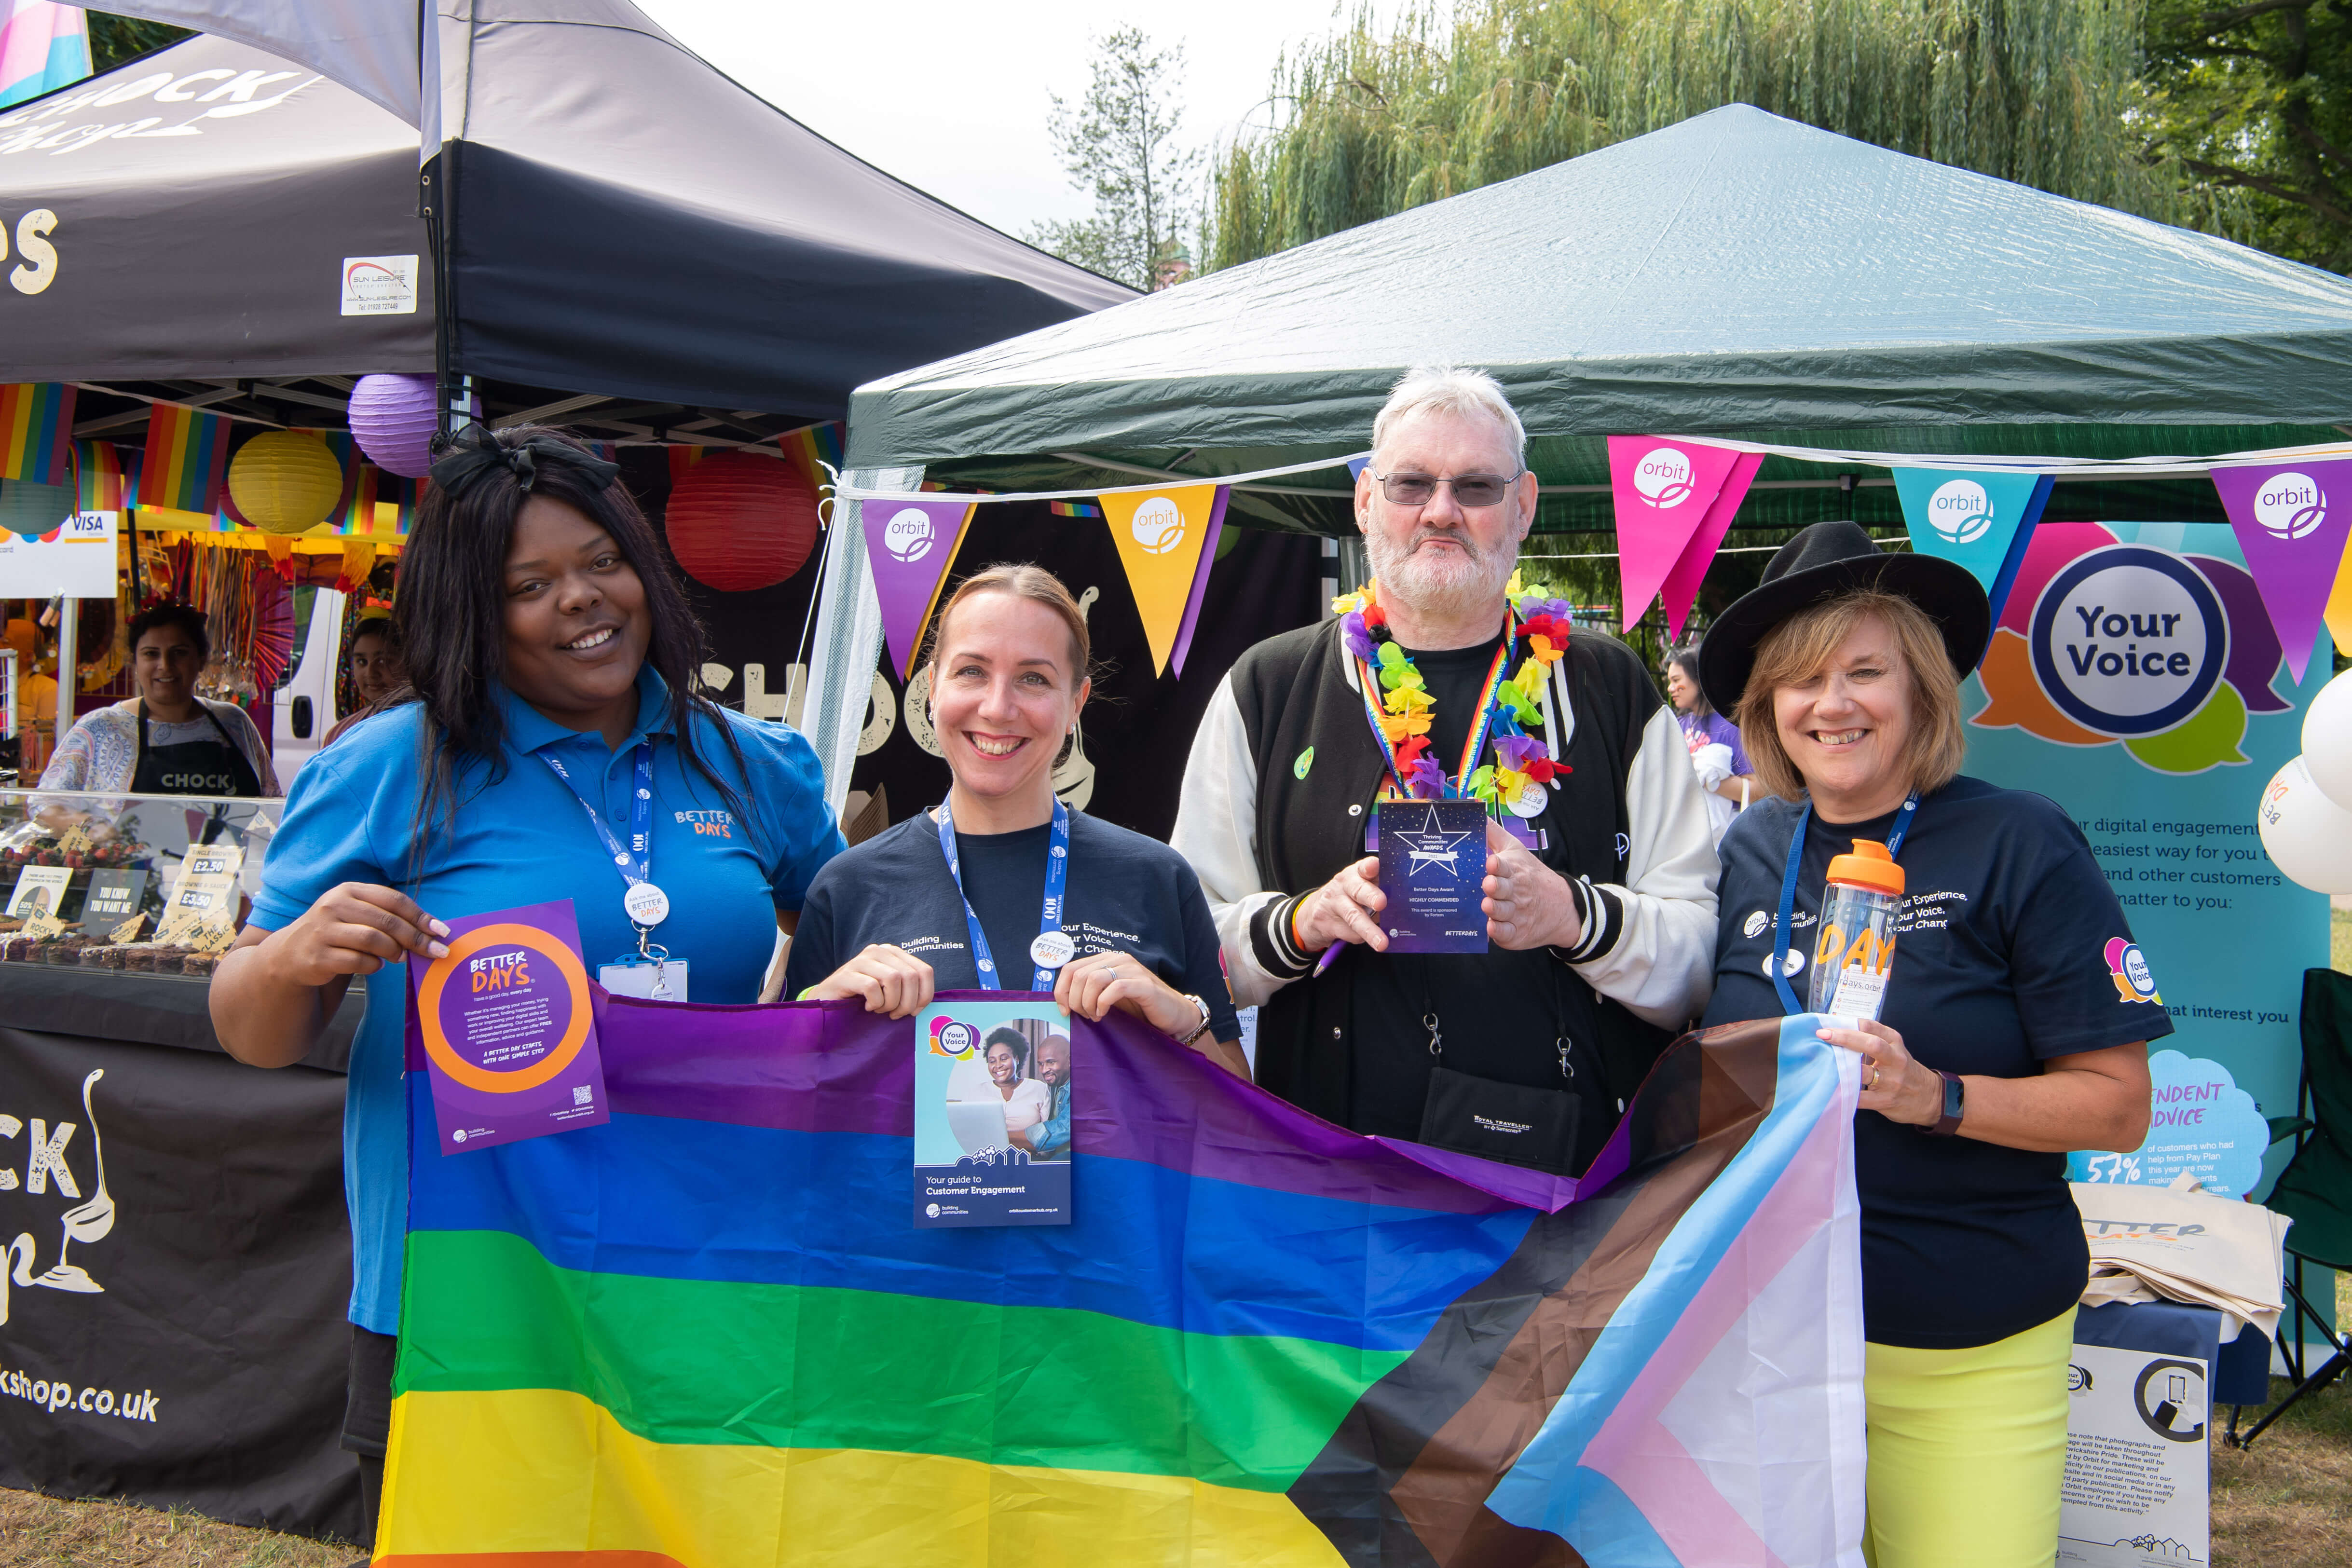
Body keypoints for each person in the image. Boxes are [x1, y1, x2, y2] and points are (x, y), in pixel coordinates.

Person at [207, 424, 844, 1547]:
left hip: (693, 1270)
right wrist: (295, 954)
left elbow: (851, 958)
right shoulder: (390, 763)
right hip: (468, 1291)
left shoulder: (752, 764)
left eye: (603, 562)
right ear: (471, 609)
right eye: (530, 584)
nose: (583, 601)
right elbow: (250, 1030)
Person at [1694, 521, 2161, 1568]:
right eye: (1801, 679)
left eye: (1866, 670)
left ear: (1921, 690)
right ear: (1767, 705)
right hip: (1766, 1345)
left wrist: (1936, 1094)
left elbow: (2115, 1103)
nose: (1834, 702)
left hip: (1966, 1346)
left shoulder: (2019, 839)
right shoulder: (1750, 846)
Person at [1172, 366, 1718, 1173]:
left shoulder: (1609, 687)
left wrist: (1570, 914)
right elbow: (1186, 954)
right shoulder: (1268, 686)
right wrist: (1302, 923)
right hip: (1335, 1180)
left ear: (1523, 504)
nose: (1440, 510)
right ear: (1365, 502)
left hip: (1572, 1191)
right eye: (1410, 484)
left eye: (1475, 486)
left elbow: (1700, 961)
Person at [785, 564, 1244, 1076]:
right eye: (972, 671)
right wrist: (821, 1006)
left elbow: (1239, 1110)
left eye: (1033, 678)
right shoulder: (848, 885)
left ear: (1076, 703)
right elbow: (779, 1098)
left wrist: (1183, 1020)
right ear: (932, 688)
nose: (998, 707)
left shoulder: (1157, 877)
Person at [38, 602, 278, 797]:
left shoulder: (234, 721)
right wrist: (96, 831)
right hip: (131, 858)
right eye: (151, 654)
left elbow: (271, 800)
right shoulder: (100, 727)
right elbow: (46, 804)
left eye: (179, 653)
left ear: (202, 659)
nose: (165, 666)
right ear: (134, 662)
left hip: (223, 857)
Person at [1665, 643, 1753, 841]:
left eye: (1676, 680)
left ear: (1699, 680)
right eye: (1669, 681)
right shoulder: (1677, 725)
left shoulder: (1731, 727)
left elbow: (1759, 790)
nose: (1671, 688)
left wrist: (1700, 772)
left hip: (1721, 839)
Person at [322, 615, 408, 747]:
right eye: (362, 662)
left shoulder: (421, 732)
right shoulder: (339, 735)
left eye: (382, 661)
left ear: (406, 662)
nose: (370, 673)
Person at [5, 618, 57, 776]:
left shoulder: (45, 688)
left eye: (5, 642)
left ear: (28, 656)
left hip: (23, 777)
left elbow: (46, 747)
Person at [980, 1028, 1052, 1139]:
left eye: (1004, 1059)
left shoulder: (1039, 1089)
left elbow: (1048, 1134)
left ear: (1017, 1059)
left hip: (1030, 1154)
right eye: (992, 1061)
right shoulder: (977, 1092)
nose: (998, 1065)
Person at [1012, 1032, 1073, 1159]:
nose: (1044, 1070)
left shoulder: (1083, 1087)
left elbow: (1059, 1129)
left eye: (1051, 1062)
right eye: (1041, 1064)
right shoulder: (1054, 1086)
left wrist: (1003, 1137)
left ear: (1070, 1060)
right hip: (1052, 1155)